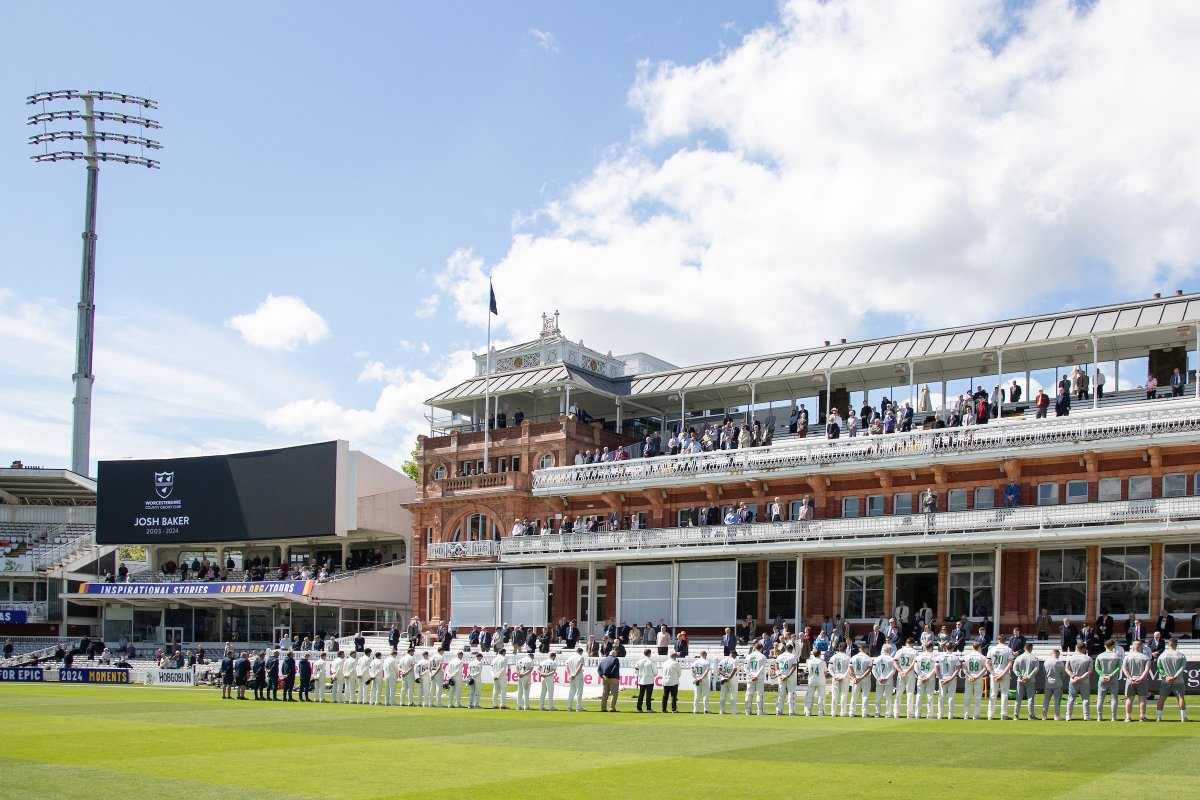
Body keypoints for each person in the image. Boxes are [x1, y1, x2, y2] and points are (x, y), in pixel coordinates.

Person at [1155, 638, 1188, 722]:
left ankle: (1159, 717)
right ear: (1176, 645)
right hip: (1178, 680)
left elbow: (1159, 667)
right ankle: (1183, 717)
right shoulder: (1181, 655)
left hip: (1165, 680)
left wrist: (1165, 676)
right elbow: (1182, 667)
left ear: (1168, 645)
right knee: (1181, 698)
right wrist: (1175, 676)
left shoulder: (1162, 655)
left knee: (1161, 698)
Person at [1123, 639, 1153, 722]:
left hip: (1131, 679)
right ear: (1140, 646)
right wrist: (1140, 678)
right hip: (1142, 679)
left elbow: (1124, 669)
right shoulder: (1145, 657)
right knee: (1142, 699)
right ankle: (1142, 717)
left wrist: (1130, 678)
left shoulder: (1127, 657)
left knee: (1129, 699)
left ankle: (1128, 717)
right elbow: (1147, 670)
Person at [1094, 639, 1122, 722]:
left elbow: (1097, 668)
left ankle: (1099, 716)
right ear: (1113, 646)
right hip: (1113, 679)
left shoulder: (1100, 656)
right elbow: (1118, 667)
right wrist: (1111, 675)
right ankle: (1113, 717)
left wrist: (1103, 675)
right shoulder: (1116, 656)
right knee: (1114, 698)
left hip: (1102, 679)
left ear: (1105, 646)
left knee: (1100, 698)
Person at [1064, 643, 1093, 721]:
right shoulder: (1088, 658)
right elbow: (1089, 671)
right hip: (1085, 681)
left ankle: (1068, 716)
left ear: (1076, 648)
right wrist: (1081, 678)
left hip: (1073, 680)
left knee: (1071, 698)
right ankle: (1086, 716)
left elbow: (1067, 669)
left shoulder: (1070, 658)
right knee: (1085, 698)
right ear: (1084, 649)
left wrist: (1073, 677)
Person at [1012, 643, 1039, 720]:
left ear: (1024, 648)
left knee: (1018, 698)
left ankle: (1016, 715)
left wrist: (1021, 676)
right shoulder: (1035, 658)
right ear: (1031, 648)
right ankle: (1031, 715)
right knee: (1030, 698)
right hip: (1031, 680)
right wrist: (1028, 677)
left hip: (1020, 680)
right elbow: (1036, 669)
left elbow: (1014, 668)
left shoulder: (1019, 658)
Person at [870, 643, 896, 719]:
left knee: (878, 697)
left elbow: (874, 670)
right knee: (888, 697)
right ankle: (888, 713)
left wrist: (878, 678)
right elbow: (893, 670)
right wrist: (886, 678)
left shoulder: (877, 659)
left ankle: (877, 713)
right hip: (888, 681)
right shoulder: (891, 659)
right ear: (889, 650)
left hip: (879, 681)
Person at [893, 637, 918, 718]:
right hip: (909, 672)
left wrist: (900, 671)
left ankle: (896, 713)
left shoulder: (899, 651)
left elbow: (895, 662)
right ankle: (909, 713)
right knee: (910, 693)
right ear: (913, 644)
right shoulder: (914, 651)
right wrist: (907, 671)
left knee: (899, 693)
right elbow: (914, 663)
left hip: (901, 672)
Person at [963, 642, 987, 720]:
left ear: (972, 647)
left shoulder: (966, 657)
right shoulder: (983, 657)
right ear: (979, 647)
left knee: (967, 696)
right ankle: (976, 715)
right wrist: (977, 676)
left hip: (969, 678)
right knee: (978, 697)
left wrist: (969, 676)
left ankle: (966, 714)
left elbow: (964, 669)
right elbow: (984, 668)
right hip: (978, 677)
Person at [937, 645, 962, 720]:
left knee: (941, 697)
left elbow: (936, 668)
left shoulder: (940, 656)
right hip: (951, 678)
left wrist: (940, 678)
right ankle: (950, 714)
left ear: (945, 648)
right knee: (951, 697)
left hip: (942, 678)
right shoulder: (955, 657)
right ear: (952, 648)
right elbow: (957, 669)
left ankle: (940, 714)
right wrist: (950, 678)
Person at [914, 643, 938, 719]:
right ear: (931, 648)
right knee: (930, 696)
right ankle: (929, 714)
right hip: (930, 678)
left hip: (921, 678)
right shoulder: (933, 657)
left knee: (919, 695)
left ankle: (917, 714)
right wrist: (927, 676)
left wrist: (921, 676)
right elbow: (935, 668)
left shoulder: (919, 657)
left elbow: (916, 668)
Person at [827, 642, 851, 717]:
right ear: (846, 648)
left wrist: (835, 676)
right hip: (844, 677)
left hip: (836, 676)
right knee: (844, 694)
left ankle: (833, 712)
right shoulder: (848, 657)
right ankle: (843, 712)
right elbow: (849, 669)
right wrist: (843, 677)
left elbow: (830, 668)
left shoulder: (833, 657)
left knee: (835, 695)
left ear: (838, 648)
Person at [774, 643, 798, 716]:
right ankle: (791, 711)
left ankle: (778, 711)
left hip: (781, 676)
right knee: (791, 693)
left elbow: (776, 666)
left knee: (781, 694)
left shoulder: (780, 656)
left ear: (785, 649)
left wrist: (780, 675)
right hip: (789, 677)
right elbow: (794, 667)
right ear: (792, 649)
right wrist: (787, 676)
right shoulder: (793, 656)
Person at [744, 643, 767, 716]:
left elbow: (745, 668)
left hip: (750, 677)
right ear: (761, 648)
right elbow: (762, 668)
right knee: (759, 694)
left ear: (754, 648)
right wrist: (756, 676)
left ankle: (747, 711)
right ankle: (760, 711)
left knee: (749, 693)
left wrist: (750, 675)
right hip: (759, 677)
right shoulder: (763, 656)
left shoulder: (749, 656)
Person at [1042, 648, 1065, 721]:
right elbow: (1063, 674)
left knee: (1046, 699)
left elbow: (1044, 672)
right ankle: (1056, 715)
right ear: (1058, 654)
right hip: (1057, 682)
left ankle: (1044, 716)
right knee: (1057, 700)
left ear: (1051, 654)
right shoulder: (1060, 662)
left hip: (1048, 682)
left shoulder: (1046, 662)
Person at [803, 649, 827, 717]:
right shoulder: (822, 662)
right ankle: (820, 712)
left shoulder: (809, 662)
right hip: (820, 680)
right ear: (820, 654)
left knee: (810, 697)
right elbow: (825, 672)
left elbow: (807, 671)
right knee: (820, 696)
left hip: (811, 680)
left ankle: (808, 711)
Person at [597, 648, 621, 712]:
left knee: (605, 693)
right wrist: (608, 675)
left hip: (604, 678)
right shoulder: (615, 659)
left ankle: (603, 707)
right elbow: (614, 668)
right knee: (614, 693)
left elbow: (599, 669)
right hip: (613, 677)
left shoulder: (603, 660)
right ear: (614, 654)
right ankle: (612, 707)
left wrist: (602, 675)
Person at [716, 649, 739, 714]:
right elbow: (734, 669)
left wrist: (724, 675)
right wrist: (730, 677)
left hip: (723, 678)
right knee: (733, 694)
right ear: (734, 654)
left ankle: (721, 710)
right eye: (735, 655)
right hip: (732, 678)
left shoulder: (723, 660)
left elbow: (719, 669)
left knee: (723, 695)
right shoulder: (734, 660)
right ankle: (733, 711)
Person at [565, 646, 586, 712]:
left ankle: (569, 707)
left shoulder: (570, 658)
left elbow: (567, 667)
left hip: (571, 676)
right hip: (578, 676)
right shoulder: (580, 657)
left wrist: (570, 675)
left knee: (571, 691)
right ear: (580, 652)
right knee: (579, 692)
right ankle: (578, 707)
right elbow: (580, 667)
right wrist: (575, 675)